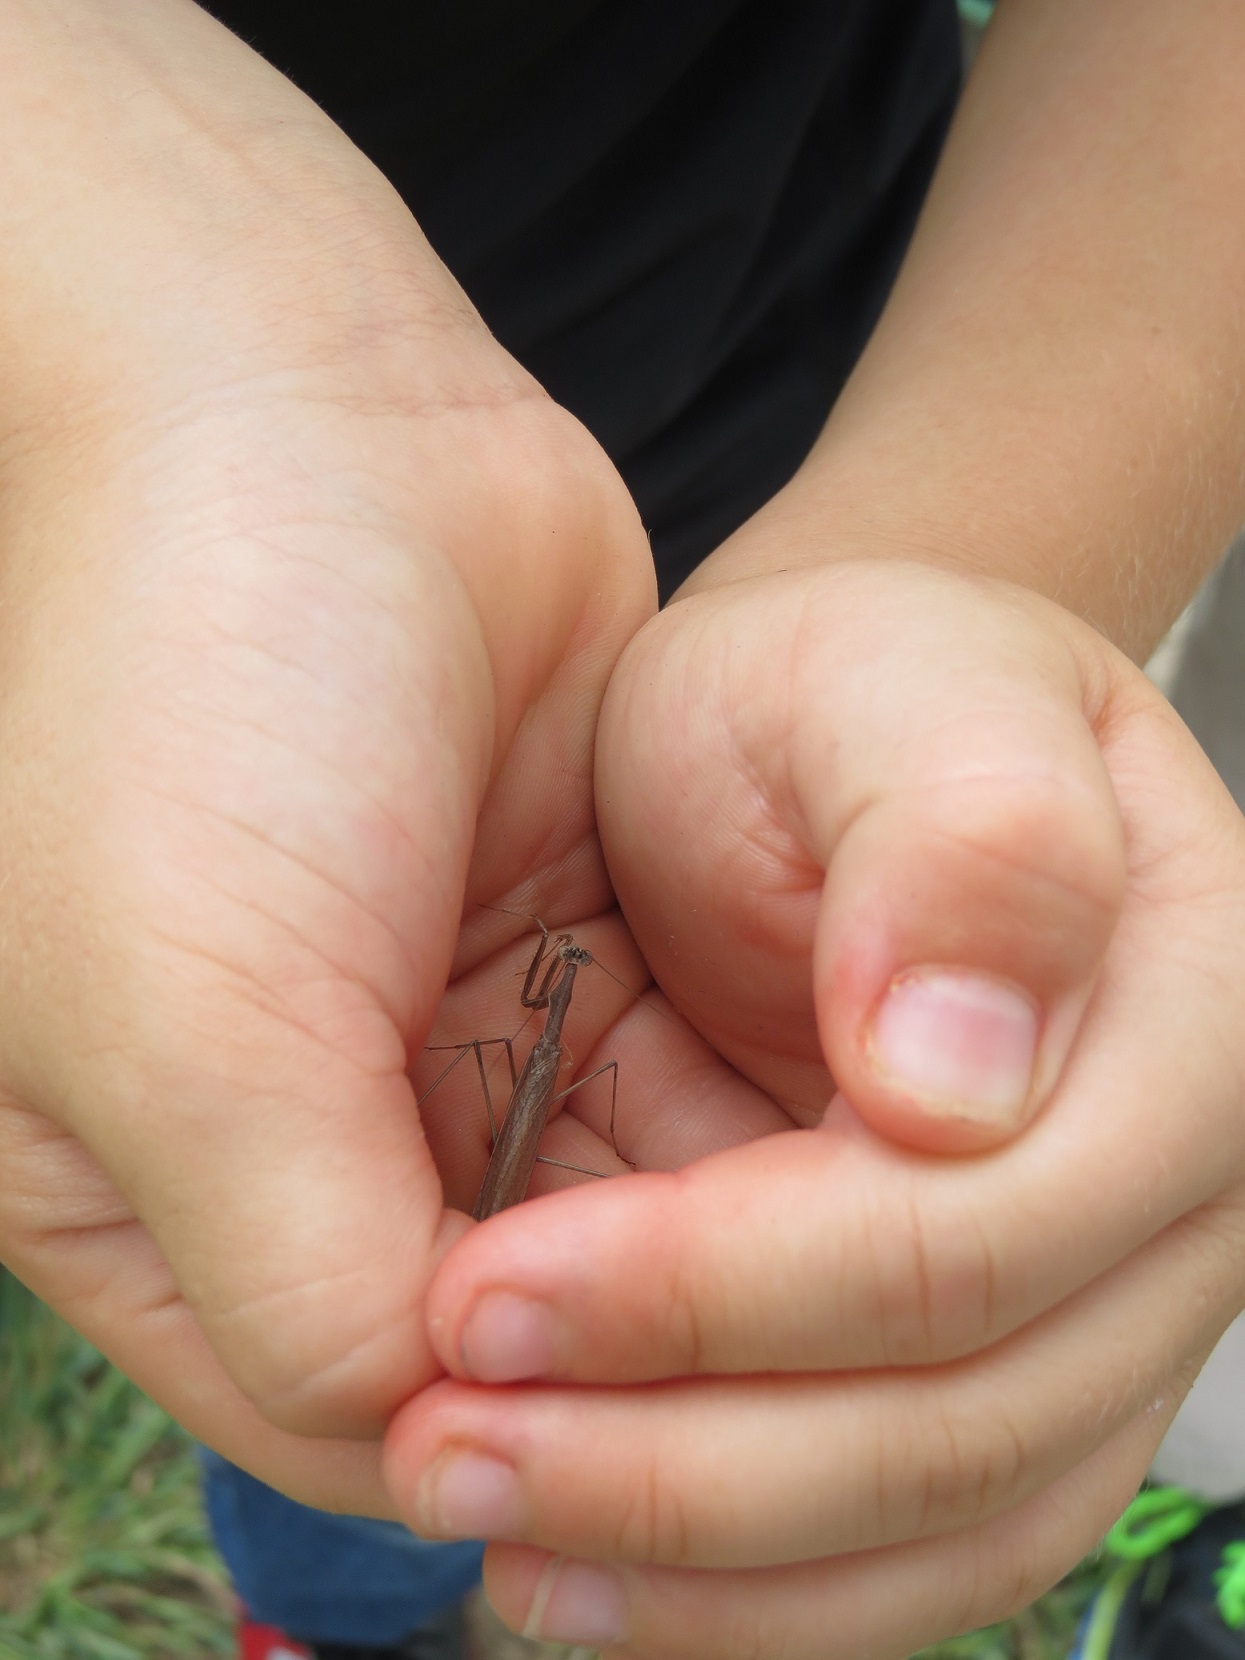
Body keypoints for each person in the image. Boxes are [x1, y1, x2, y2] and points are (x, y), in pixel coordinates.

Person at [2, 2, 1245, 1659]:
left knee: (437, 1268)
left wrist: (944, 577)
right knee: (301, 1233)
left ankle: (386, 1568)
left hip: (800, 409)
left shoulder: (548, 996)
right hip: (147, 666)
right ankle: (334, 1607)